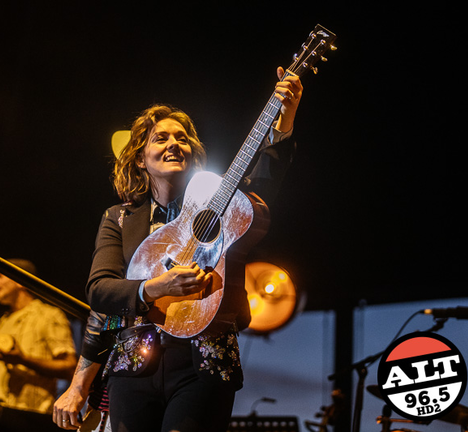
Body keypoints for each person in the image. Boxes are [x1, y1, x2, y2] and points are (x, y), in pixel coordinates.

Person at [83, 66, 303, 432]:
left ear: (192, 153)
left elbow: (261, 189)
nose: (174, 143)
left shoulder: (220, 203)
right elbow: (99, 290)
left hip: (206, 360)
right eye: (161, 138)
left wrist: (284, 121)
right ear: (140, 158)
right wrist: (156, 287)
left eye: (182, 138)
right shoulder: (118, 218)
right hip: (133, 364)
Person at [0, 258, 78, 431]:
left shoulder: (48, 316)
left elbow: (70, 368)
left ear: (20, 280)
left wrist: (23, 359)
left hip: (28, 420)